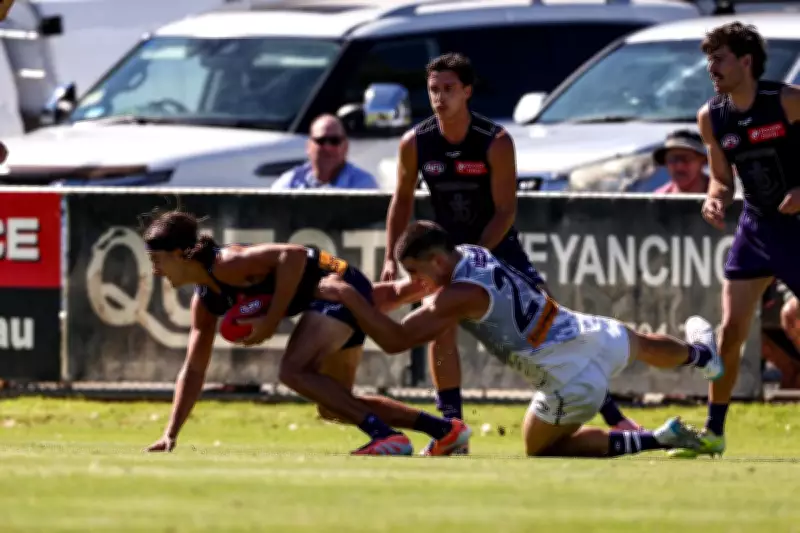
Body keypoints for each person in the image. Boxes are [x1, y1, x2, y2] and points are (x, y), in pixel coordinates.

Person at [381, 53, 639, 455]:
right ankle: (452, 429)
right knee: (439, 329)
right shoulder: (415, 142)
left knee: (550, 323)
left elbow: (505, 211)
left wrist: (476, 258)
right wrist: (389, 258)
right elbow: (401, 201)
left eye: (449, 89)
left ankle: (614, 416)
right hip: (444, 254)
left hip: (496, 246)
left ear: (467, 91)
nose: (440, 98)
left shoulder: (495, 140)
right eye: (433, 90)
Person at [320, 221, 725, 458]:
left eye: (415, 270)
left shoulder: (456, 295)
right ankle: (701, 355)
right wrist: (352, 292)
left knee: (540, 447)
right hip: (587, 332)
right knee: (644, 344)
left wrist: (348, 299)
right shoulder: (468, 253)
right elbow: (400, 293)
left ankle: (659, 438)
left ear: (437, 261)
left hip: (568, 377)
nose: (414, 280)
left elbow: (396, 340)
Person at [140, 210, 470, 456]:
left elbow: (293, 255)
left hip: (338, 287)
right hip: (328, 299)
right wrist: (171, 433)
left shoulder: (228, 262)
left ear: (180, 255)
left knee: (293, 370)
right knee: (335, 404)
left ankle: (386, 437)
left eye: (157, 260)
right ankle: (445, 430)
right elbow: (194, 368)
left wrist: (270, 321)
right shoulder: (206, 300)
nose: (155, 271)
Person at [668, 21, 800, 458]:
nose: (711, 67)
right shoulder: (712, 117)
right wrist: (715, 199)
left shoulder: (786, 100)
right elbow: (722, 178)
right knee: (730, 334)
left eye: (720, 58)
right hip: (757, 229)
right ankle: (714, 432)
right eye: (709, 59)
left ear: (746, 61)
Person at [271, 114, 379, 190]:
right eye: (321, 141)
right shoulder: (290, 183)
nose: (327, 147)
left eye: (334, 141)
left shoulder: (363, 185)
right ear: (308, 146)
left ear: (345, 146)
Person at [652, 130, 709, 194]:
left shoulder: (717, 194)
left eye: (687, 158)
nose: (679, 165)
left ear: (702, 161)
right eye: (672, 159)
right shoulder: (660, 196)